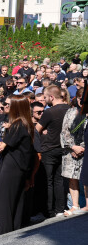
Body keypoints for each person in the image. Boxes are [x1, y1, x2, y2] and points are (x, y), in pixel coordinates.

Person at [0, 96, 36, 234]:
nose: (4, 106)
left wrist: (0, 141)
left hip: (12, 166)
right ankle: (13, 232)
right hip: (19, 167)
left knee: (2, 200)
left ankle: (5, 233)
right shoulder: (23, 123)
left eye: (7, 104)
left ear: (15, 107)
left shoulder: (17, 125)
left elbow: (0, 146)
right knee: (16, 200)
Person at [36, 85, 70, 217]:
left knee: (48, 181)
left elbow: (37, 129)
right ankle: (59, 209)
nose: (44, 100)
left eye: (45, 97)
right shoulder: (70, 109)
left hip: (49, 149)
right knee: (59, 180)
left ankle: (49, 211)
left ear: (51, 97)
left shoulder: (50, 112)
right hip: (63, 149)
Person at [59, 89, 86, 217]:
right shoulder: (70, 112)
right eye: (80, 98)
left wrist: (81, 148)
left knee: (85, 179)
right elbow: (64, 132)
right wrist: (73, 147)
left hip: (85, 151)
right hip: (70, 151)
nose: (82, 101)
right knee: (72, 178)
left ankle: (86, 204)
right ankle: (75, 205)